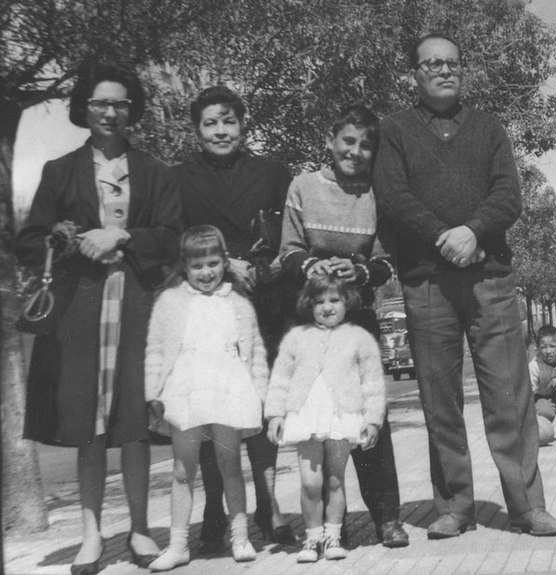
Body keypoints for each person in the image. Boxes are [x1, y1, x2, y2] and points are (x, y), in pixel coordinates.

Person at [372, 33, 556, 538]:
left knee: (509, 396)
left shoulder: (489, 128)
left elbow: (509, 195)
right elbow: (392, 196)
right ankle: (454, 506)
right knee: (440, 400)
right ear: (413, 73)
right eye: (431, 63)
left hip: (490, 279)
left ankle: (526, 506)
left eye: (452, 63)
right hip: (427, 282)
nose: (444, 71)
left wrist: (474, 231)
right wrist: (445, 237)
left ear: (463, 70)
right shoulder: (394, 130)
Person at [15, 62, 182, 574]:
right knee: (87, 423)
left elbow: (174, 235)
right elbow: (28, 242)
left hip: (137, 306)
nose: (111, 112)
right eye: (100, 103)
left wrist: (123, 235)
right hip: (79, 313)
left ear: (132, 109)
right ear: (84, 108)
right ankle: (91, 534)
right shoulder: (59, 171)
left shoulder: (156, 172)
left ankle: (139, 529)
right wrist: (69, 240)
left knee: (132, 421)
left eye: (121, 103)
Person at [278, 105, 409, 548]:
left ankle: (387, 517)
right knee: (319, 418)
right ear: (331, 140)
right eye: (348, 141)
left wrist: (360, 271)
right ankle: (328, 521)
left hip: (360, 320)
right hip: (310, 317)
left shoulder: (379, 193)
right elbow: (289, 252)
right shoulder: (303, 186)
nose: (355, 151)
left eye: (365, 145)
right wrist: (316, 267)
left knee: (370, 416)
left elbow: (389, 261)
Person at [173, 86, 293, 551]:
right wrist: (223, 265)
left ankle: (268, 503)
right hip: (207, 309)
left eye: (228, 120)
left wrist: (259, 269)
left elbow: (288, 238)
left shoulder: (272, 173)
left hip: (263, 302)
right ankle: (214, 507)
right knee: (211, 408)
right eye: (209, 122)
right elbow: (174, 242)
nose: (220, 130)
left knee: (260, 407)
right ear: (197, 130)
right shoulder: (178, 179)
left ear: (243, 124)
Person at [145, 225, 269, 568]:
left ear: (225, 261)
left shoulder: (239, 303)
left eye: (213, 263)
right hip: (186, 391)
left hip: (228, 390)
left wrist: (259, 393)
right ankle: (178, 545)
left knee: (230, 466)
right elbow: (156, 348)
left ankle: (240, 538)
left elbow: (254, 350)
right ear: (184, 265)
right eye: (197, 266)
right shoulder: (169, 301)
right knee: (183, 470)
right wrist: (153, 391)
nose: (206, 272)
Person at [265, 274, 386, 562]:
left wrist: (372, 419)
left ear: (347, 302)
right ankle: (312, 537)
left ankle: (333, 535)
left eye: (334, 300)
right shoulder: (296, 338)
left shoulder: (359, 338)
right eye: (319, 301)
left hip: (342, 416)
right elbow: (280, 377)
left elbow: (372, 382)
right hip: (306, 416)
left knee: (334, 480)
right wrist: (275, 414)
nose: (327, 307)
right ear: (309, 304)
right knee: (310, 482)